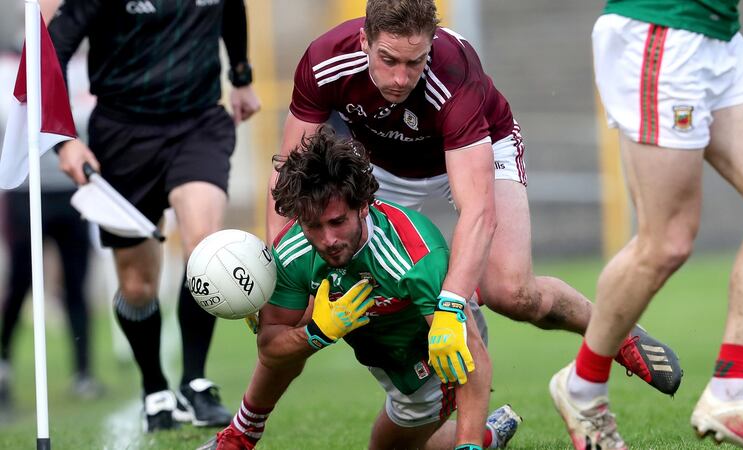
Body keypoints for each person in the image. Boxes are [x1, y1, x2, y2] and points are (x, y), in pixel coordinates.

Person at [268, 0, 681, 397]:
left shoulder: (453, 72)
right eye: (388, 60)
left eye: (415, 62)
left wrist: (449, 306)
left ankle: (614, 331)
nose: (399, 78)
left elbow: (477, 209)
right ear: (364, 42)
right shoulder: (324, 61)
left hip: (475, 151)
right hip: (379, 171)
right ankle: (246, 428)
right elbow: (293, 174)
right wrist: (271, 276)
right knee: (297, 312)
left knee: (512, 292)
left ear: (431, 44)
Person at [548, 1, 743, 449]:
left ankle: (732, 393)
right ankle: (583, 387)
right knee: (667, 242)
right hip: (663, 29)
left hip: (718, 35)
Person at [203, 126, 521, 450]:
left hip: (426, 356)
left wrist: (468, 446)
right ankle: (239, 436)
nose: (327, 240)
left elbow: (470, 353)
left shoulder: (414, 255)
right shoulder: (291, 253)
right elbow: (270, 348)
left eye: (338, 222)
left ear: (364, 206)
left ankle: (484, 437)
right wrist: (316, 333)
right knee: (292, 320)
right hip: (378, 348)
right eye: (313, 225)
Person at [48, 0, 261, 432]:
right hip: (122, 134)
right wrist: (64, 141)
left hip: (198, 123)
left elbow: (232, 10)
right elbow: (49, 57)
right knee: (137, 286)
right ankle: (154, 388)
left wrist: (241, 77)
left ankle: (196, 381)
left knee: (206, 249)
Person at [0, 151, 103, 412]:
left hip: (73, 190)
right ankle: (3, 365)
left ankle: (83, 373)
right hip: (26, 190)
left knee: (76, 286)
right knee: (19, 285)